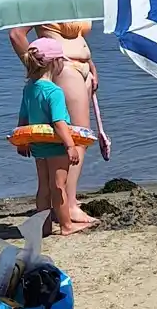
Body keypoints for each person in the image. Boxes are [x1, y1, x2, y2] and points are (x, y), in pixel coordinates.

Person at [9, 21, 109, 228]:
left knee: (79, 138)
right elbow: (16, 35)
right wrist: (37, 68)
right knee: (77, 137)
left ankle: (62, 205)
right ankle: (68, 206)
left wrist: (91, 66)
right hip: (63, 69)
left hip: (81, 69)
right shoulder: (42, 0)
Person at [17, 38, 86, 235]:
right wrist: (70, 145)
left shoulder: (29, 89)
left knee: (43, 187)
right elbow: (58, 122)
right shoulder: (55, 92)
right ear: (55, 63)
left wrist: (21, 141)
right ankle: (66, 226)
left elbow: (23, 117)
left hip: (38, 146)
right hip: (56, 146)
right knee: (58, 186)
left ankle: (44, 227)